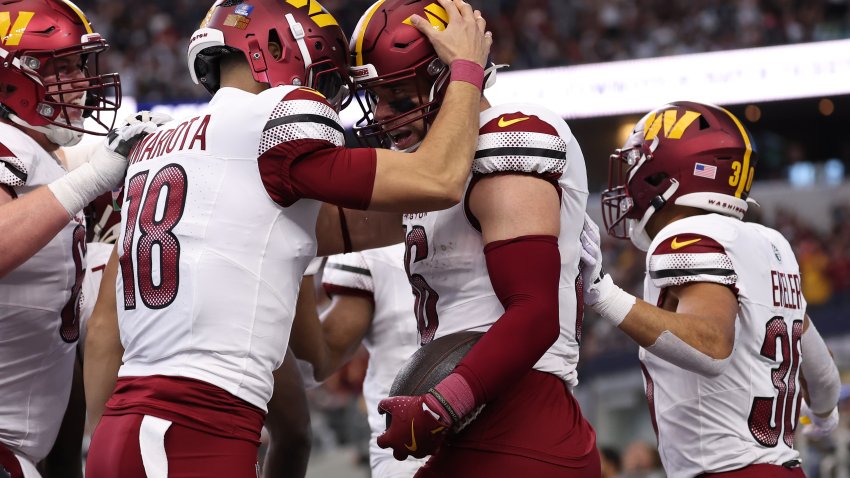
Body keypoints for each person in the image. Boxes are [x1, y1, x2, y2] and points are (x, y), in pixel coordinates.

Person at [83, 0, 492, 476]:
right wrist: (465, 71)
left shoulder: (158, 146)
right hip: (193, 428)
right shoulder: (275, 118)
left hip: (125, 428)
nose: (326, 92)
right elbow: (438, 181)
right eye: (324, 74)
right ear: (275, 48)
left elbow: (103, 331)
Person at [348, 1, 599, 475]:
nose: (381, 113)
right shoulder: (431, 172)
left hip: (518, 423)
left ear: (447, 78)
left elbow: (535, 312)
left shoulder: (508, 133)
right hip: (478, 422)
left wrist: (442, 405)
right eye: (375, 96)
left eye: (398, 96)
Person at [579, 100, 843, 477]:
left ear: (667, 175)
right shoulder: (772, 245)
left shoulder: (685, 236)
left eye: (638, 164)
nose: (629, 178)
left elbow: (711, 346)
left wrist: (602, 293)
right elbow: (823, 376)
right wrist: (825, 415)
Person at [0, 1, 146, 476]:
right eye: (62, 68)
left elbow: (59, 352)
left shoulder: (40, 155)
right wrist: (91, 180)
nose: (82, 82)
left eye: (80, 65)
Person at [289, 246, 427, 477]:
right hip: (409, 451)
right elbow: (314, 363)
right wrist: (301, 261)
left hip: (498, 431)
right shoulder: (374, 243)